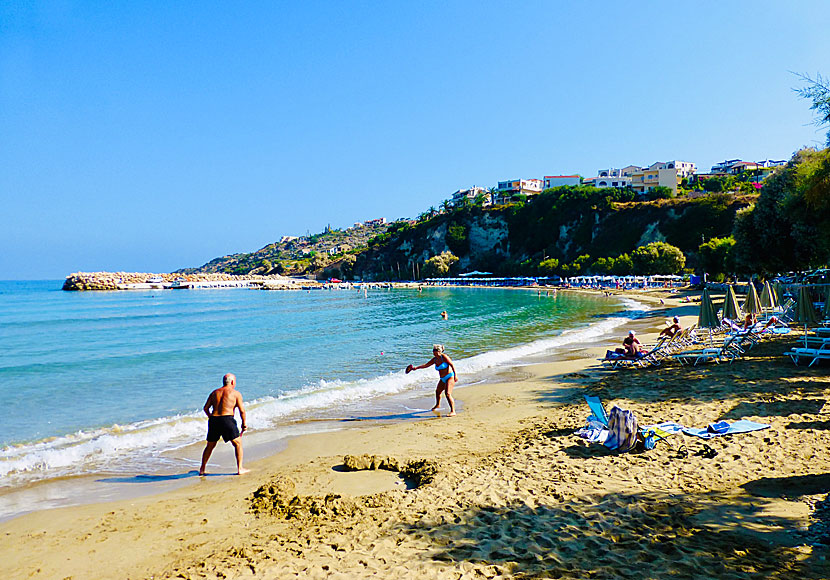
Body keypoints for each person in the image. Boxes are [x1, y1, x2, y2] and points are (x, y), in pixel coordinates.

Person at [199, 373, 249, 475]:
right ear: (232, 382)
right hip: (227, 419)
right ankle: (240, 469)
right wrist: (244, 424)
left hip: (214, 420)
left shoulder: (214, 393)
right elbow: (242, 411)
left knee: (210, 445)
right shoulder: (236, 393)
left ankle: (202, 469)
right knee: (238, 444)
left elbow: (205, 408)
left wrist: (211, 417)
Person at [406, 344, 457, 416]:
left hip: (450, 377)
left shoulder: (444, 357)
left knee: (447, 393)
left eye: (435, 350)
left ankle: (453, 411)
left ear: (439, 351)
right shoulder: (435, 359)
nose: (434, 352)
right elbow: (426, 365)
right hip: (442, 378)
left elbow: (452, 365)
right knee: (438, 391)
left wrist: (455, 375)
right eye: (433, 351)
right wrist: (415, 368)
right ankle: (437, 405)